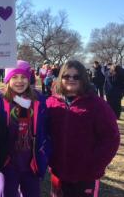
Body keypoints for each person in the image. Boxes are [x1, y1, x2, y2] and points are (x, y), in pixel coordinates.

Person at [47, 60, 120, 197]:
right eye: (66, 76)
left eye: (76, 76)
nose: (71, 79)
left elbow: (111, 138)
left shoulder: (97, 104)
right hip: (58, 171)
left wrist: (95, 165)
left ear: (83, 78)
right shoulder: (51, 103)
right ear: (60, 78)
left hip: (85, 175)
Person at [0, 60, 51, 197]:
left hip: (31, 161)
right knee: (7, 193)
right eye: (14, 77)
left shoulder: (39, 99)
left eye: (23, 77)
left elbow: (48, 129)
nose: (19, 81)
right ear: (7, 79)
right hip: (8, 161)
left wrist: (44, 154)